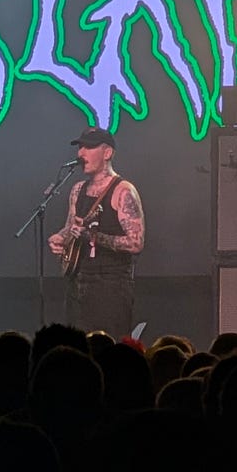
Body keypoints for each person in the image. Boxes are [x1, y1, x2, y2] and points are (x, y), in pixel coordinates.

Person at [47, 127, 145, 336]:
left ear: (107, 153)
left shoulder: (123, 190)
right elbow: (71, 227)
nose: (81, 153)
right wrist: (60, 238)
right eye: (80, 147)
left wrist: (94, 237)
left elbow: (136, 243)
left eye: (89, 147)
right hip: (78, 283)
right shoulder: (78, 189)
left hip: (110, 285)